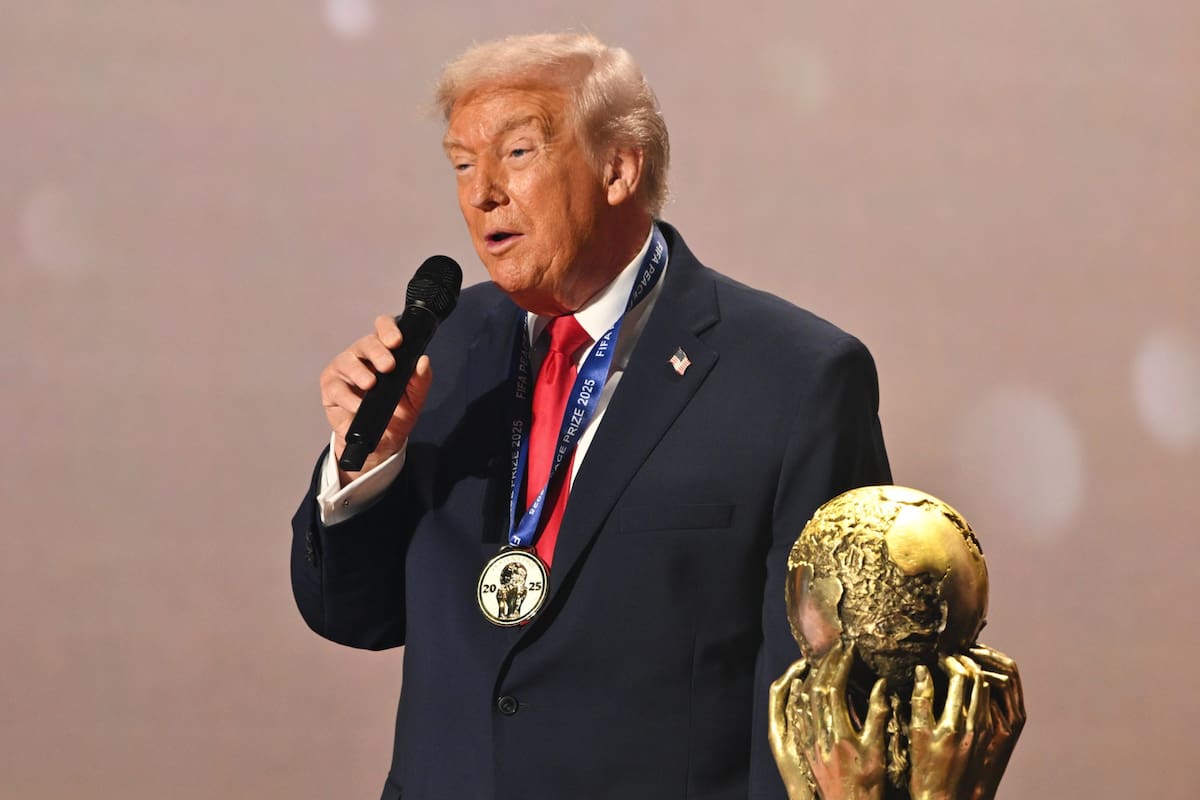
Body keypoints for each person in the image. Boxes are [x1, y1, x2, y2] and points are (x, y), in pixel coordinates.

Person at [291, 32, 890, 800]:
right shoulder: (441, 349)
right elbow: (353, 614)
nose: (482, 195)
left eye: (516, 154)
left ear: (618, 168)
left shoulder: (796, 379)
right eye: (462, 164)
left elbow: (820, 717)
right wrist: (364, 468)